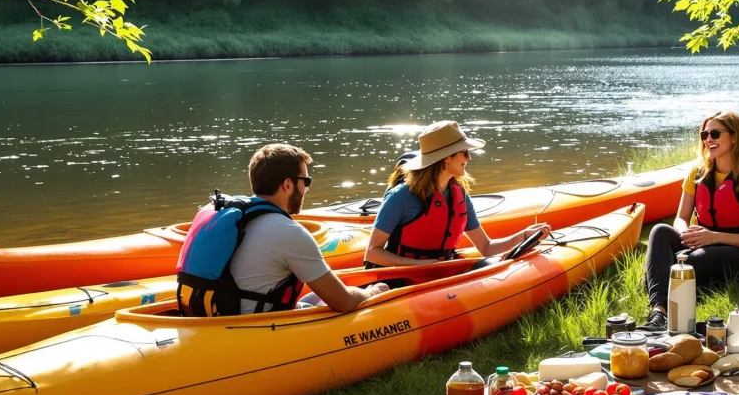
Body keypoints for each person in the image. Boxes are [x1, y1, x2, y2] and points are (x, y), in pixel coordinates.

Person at [176, 143, 386, 315]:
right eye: (306, 181)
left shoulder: (233, 216)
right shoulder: (289, 232)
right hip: (254, 327)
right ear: (288, 185)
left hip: (216, 313)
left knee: (313, 296)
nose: (306, 189)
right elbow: (346, 303)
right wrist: (374, 292)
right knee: (380, 289)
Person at [640, 111, 739, 330]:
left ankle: (661, 281)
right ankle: (659, 312)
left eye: (715, 134)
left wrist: (712, 237)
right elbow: (680, 218)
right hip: (705, 243)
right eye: (704, 135)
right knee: (659, 231)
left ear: (735, 137)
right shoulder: (697, 172)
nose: (708, 140)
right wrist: (685, 232)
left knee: (690, 262)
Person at [364, 120, 550, 267]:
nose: (469, 158)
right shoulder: (401, 197)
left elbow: (486, 247)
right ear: (447, 157)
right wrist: (418, 264)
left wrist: (524, 236)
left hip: (441, 273)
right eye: (465, 152)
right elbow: (372, 252)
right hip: (404, 278)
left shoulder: (459, 196)